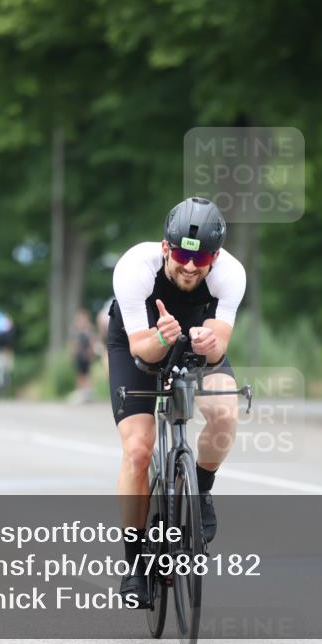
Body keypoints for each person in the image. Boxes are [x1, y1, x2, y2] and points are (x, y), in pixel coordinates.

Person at [108, 197, 245, 607]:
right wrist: (163, 337)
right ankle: (134, 566)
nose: (190, 265)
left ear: (214, 257)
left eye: (200, 257)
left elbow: (218, 348)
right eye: (183, 254)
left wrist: (208, 343)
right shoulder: (135, 269)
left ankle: (200, 489)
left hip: (197, 341)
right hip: (141, 341)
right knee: (137, 449)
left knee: (224, 412)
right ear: (166, 247)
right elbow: (140, 351)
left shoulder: (230, 274)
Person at [69, 309, 97, 401]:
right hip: (79, 355)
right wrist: (72, 355)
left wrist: (92, 354)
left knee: (87, 374)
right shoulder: (76, 331)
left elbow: (92, 342)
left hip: (86, 356)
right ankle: (80, 393)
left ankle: (88, 394)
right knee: (79, 375)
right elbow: (73, 344)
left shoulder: (89, 330)